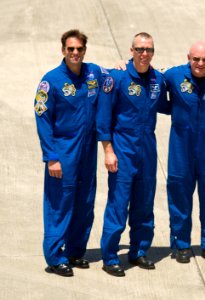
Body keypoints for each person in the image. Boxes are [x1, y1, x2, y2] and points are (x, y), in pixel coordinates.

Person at [96, 32, 169, 276]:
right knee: (118, 203)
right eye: (139, 49)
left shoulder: (158, 79)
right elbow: (104, 117)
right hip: (123, 148)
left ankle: (138, 251)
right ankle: (110, 256)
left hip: (147, 149)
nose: (144, 53)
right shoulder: (115, 77)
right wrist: (108, 150)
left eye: (148, 49)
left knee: (144, 203)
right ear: (131, 50)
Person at [34, 29, 104, 277]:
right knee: (60, 203)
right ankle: (55, 257)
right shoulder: (50, 81)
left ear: (85, 50)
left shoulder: (94, 73)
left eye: (80, 49)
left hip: (88, 150)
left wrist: (121, 64)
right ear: (63, 50)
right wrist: (51, 156)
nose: (75, 53)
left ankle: (75, 251)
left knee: (85, 202)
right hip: (63, 152)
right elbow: (42, 119)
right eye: (71, 49)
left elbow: (115, 77)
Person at [164, 42, 205, 264]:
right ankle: (181, 244)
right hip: (181, 147)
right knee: (179, 195)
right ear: (188, 57)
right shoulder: (173, 76)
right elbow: (147, 76)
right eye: (196, 59)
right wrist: (122, 64)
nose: (200, 64)